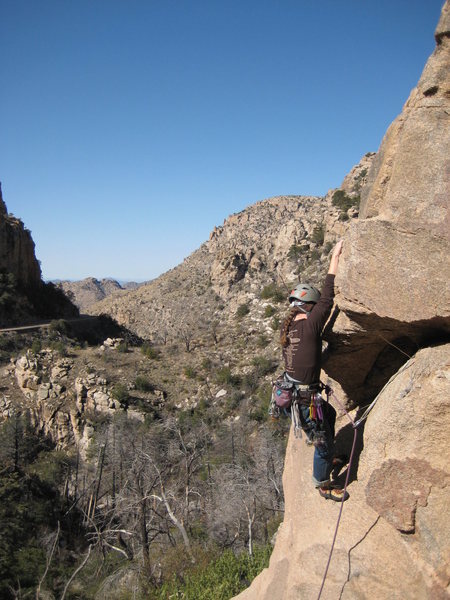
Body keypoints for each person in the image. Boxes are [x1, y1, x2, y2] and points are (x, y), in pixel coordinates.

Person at [280, 240, 348, 502]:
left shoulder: (289, 327)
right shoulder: (310, 325)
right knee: (322, 442)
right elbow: (329, 296)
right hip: (304, 399)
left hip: (294, 394)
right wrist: (335, 257)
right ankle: (323, 484)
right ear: (309, 304)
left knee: (329, 413)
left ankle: (329, 456)